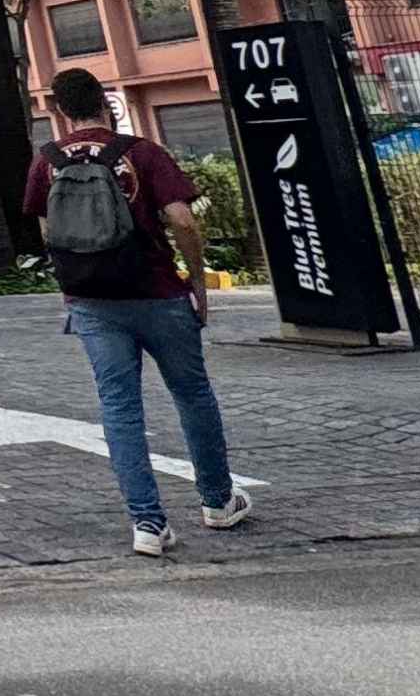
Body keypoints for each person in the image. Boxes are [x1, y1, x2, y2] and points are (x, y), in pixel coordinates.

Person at [25, 69, 252, 557]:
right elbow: (183, 219)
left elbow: (49, 235)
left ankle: (147, 524)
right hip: (158, 293)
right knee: (192, 394)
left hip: (92, 303)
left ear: (61, 110)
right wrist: (195, 279)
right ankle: (217, 501)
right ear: (106, 104)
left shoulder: (46, 163)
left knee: (120, 408)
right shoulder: (143, 153)